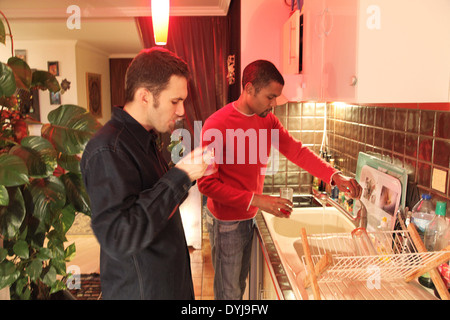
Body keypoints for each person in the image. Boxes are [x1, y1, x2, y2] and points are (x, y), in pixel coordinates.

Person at [197, 60, 362, 300]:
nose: (274, 104)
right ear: (249, 88)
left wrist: (333, 176)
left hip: (249, 217)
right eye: (270, 97)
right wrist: (258, 201)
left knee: (237, 289)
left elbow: (296, 150)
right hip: (226, 224)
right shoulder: (216, 125)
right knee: (229, 294)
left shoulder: (267, 121)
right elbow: (206, 185)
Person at [80, 48, 207, 300]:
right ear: (145, 96)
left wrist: (187, 175)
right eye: (175, 101)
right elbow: (120, 235)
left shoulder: (143, 139)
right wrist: (180, 176)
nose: (182, 111)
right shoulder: (108, 148)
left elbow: (153, 205)